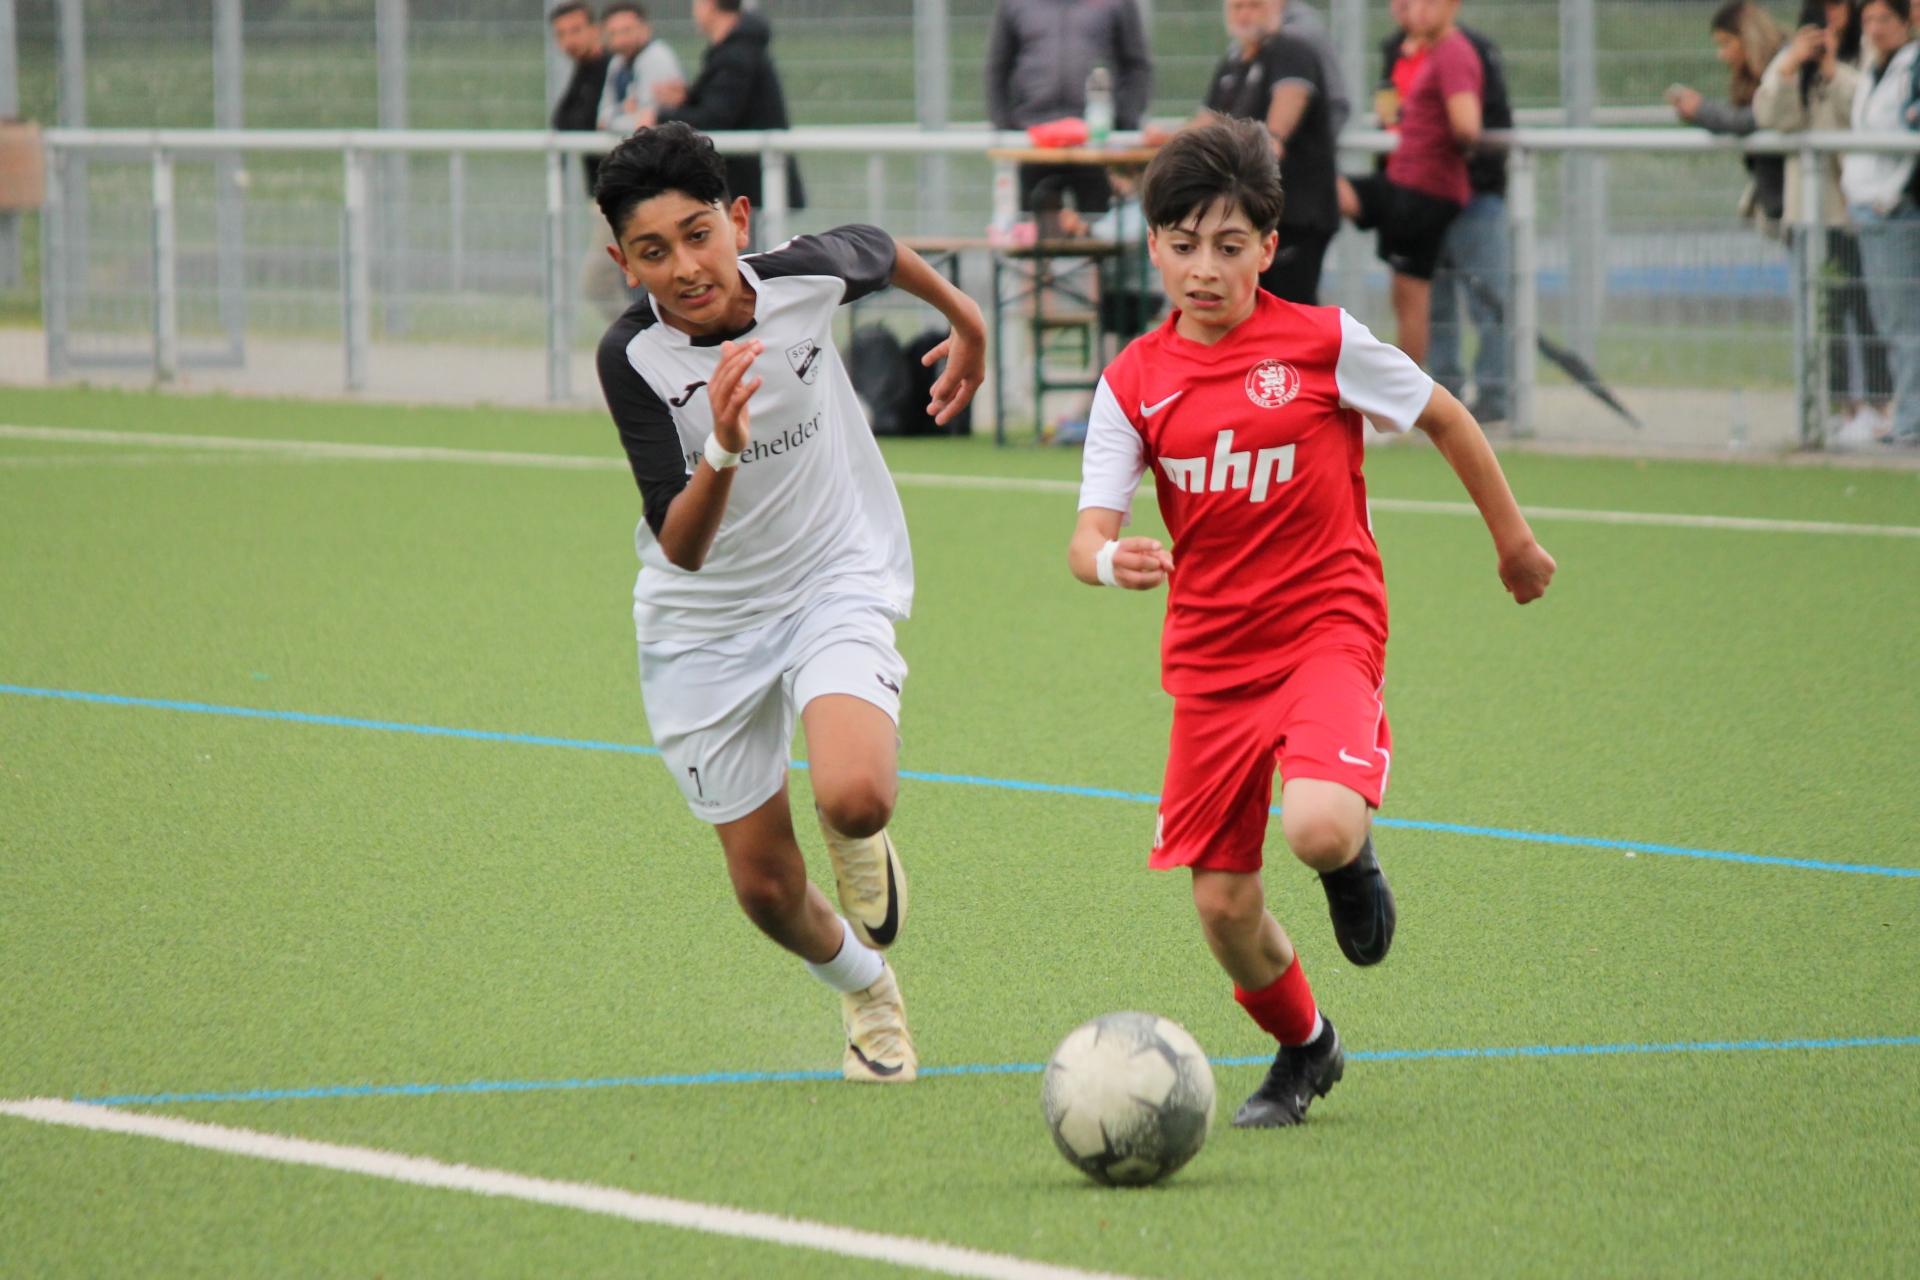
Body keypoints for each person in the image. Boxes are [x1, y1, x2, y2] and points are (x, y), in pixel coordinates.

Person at [1068, 120, 1555, 1127]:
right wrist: (1114, 561)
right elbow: (1088, 536)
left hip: (1327, 626)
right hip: (1210, 661)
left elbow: (1445, 415)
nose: (1205, 269)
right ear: (1153, 245)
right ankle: (1307, 1046)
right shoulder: (1133, 382)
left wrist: (1512, 542)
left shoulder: (1324, 343)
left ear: (1269, 246)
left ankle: (1349, 857)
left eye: (1230, 245)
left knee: (1318, 823)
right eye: (1183, 245)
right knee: (1221, 906)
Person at [593, 122, 986, 1083]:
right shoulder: (633, 358)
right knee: (766, 891)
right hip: (704, 623)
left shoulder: (801, 279)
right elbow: (682, 545)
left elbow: (880, 249)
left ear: (738, 219)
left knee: (856, 794)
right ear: (622, 263)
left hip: (828, 578)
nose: (685, 268)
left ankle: (857, 837)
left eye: (698, 235)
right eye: (653, 252)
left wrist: (967, 321)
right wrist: (722, 445)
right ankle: (867, 988)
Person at [1757, 0, 1893, 445]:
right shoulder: (1793, 58)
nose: (1831, 18)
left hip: (1855, 207)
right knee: (1821, 316)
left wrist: (1834, 70)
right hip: (1809, 212)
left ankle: (1879, 407)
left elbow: (1866, 115)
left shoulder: (1868, 56)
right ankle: (1835, 408)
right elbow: (1771, 117)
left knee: (1869, 312)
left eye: (1840, 7)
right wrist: (1791, 64)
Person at [1381, 9, 1513, 421]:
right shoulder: (1395, 50)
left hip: (1471, 195)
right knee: (1433, 302)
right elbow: (1391, 116)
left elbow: (1473, 124)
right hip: (1420, 197)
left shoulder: (1462, 49)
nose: (1411, 9)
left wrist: (1471, 174)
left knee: (1486, 300)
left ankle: (1493, 396)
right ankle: (1443, 395)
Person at [1338, 0, 1482, 366]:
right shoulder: (1420, 51)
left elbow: (1466, 125)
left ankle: (1407, 388)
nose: (1418, 9)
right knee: (1324, 187)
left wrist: (1437, 148)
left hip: (1424, 191)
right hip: (1403, 184)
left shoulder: (1453, 51)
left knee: (1411, 300)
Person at [1192, 0, 1341, 304]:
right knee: (1250, 312)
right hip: (1249, 213)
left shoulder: (1292, 48)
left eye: (1254, 6)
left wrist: (1273, 138)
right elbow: (1208, 122)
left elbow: (1291, 97)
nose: (1245, 15)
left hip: (1294, 212)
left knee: (1289, 311)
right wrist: (1163, 145)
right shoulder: (1234, 60)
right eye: (1237, 7)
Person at [641, 0, 804, 234]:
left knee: (749, 253)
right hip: (746, 188)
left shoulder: (736, 54)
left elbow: (715, 118)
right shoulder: (735, 50)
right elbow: (726, 106)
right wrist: (686, 100)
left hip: (748, 190)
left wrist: (660, 117)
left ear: (709, 5)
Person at [986, 0, 1153, 227]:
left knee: (1101, 230)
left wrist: (1122, 124)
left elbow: (1137, 67)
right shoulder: (1014, 5)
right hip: (1033, 142)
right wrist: (1006, 126)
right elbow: (997, 68)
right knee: (1035, 232)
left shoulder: (1117, 4)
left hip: (1097, 144)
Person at [1843, 0, 1920, 445]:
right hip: (1867, 205)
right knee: (1891, 322)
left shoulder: (1913, 68)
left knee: (1905, 324)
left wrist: (1890, 196)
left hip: (1895, 209)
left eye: (1885, 19)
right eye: (1868, 20)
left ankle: (1911, 423)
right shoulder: (1872, 70)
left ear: (1907, 21)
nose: (1874, 28)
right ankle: (1906, 415)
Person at [1666, 1, 1789, 235]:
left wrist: (1701, 111)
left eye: (1726, 43)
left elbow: (1755, 118)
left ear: (1748, 37)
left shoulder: (1786, 66)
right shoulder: (1762, 73)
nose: (1722, 55)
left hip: (1806, 201)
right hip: (1782, 205)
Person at [549, 3, 631, 321]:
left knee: (597, 283)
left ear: (596, 30)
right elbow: (562, 121)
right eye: (561, 34)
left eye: (576, 30)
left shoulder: (611, 69)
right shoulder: (584, 71)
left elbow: (588, 123)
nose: (569, 40)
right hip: (605, 196)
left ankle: (640, 342)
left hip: (624, 195)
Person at [596, 3, 685, 137]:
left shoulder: (656, 58)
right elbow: (602, 120)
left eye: (627, 31)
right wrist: (623, 110)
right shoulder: (617, 63)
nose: (620, 40)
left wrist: (615, 118)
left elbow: (646, 123)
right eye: (613, 33)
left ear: (646, 28)